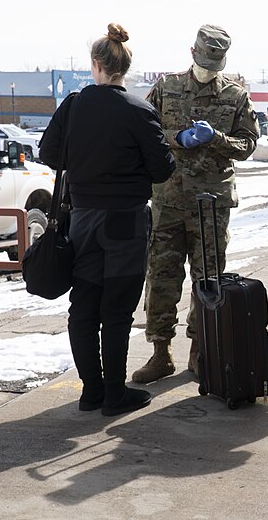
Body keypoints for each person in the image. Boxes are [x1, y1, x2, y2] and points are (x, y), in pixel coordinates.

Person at [39, 23, 176, 416]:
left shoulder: (74, 105)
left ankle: (91, 391)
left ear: (95, 65)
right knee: (117, 311)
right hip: (126, 222)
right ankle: (115, 393)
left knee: (83, 309)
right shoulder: (138, 109)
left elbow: (50, 154)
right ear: (123, 68)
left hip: (82, 219)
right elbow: (163, 168)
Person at [132, 24, 259, 384]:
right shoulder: (167, 87)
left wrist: (216, 138)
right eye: (204, 61)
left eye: (214, 65)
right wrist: (178, 137)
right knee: (161, 276)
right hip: (169, 199)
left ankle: (201, 350)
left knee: (209, 280)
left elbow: (248, 144)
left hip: (211, 204)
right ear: (192, 52)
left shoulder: (235, 96)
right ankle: (160, 352)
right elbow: (145, 132)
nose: (207, 70)